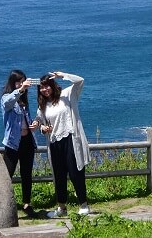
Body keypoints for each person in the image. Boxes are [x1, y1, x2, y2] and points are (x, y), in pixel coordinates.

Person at [36, 71, 91, 218]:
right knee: (59, 176)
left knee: (75, 172)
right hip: (54, 142)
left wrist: (63, 75)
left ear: (53, 85)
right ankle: (61, 207)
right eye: (42, 87)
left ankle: (84, 205)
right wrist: (43, 129)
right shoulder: (42, 106)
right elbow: (40, 123)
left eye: (47, 86)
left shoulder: (67, 94)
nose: (45, 89)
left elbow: (80, 80)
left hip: (70, 138)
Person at [0, 69, 39, 218]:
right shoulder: (6, 98)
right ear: (12, 83)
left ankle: (27, 203)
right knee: (6, 174)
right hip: (12, 143)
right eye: (18, 81)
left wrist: (33, 125)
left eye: (23, 81)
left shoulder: (23, 100)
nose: (21, 84)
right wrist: (21, 89)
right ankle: (4, 204)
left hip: (27, 141)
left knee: (26, 174)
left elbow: (25, 120)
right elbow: (8, 103)